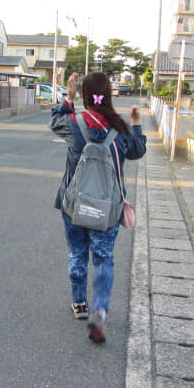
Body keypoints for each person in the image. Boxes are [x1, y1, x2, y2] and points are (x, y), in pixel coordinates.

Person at [50, 71, 147, 343]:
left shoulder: (74, 123)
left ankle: (79, 304)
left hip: (75, 205)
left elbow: (54, 121)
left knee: (77, 253)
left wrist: (67, 97)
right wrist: (136, 122)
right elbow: (137, 151)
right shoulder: (120, 128)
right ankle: (100, 310)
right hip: (107, 208)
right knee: (104, 258)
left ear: (84, 95)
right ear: (110, 93)